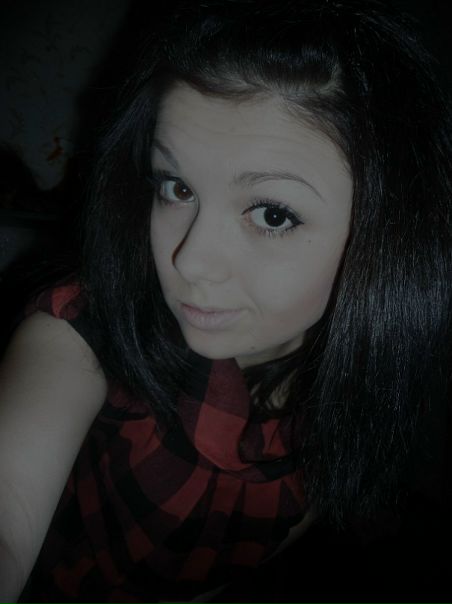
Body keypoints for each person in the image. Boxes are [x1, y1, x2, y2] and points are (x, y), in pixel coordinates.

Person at [0, 0, 450, 601]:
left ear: (387, 238)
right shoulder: (81, 334)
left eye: (272, 214)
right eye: (177, 187)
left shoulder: (355, 400)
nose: (189, 261)